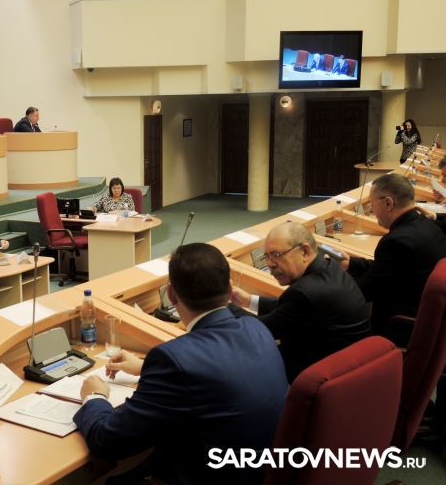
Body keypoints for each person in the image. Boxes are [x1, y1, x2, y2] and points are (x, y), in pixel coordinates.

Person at [73, 243, 289, 485]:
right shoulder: (257, 327)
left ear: (171, 294)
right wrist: (146, 368)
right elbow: (218, 371)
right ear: (230, 290)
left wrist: (94, 397)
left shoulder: (173, 360)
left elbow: (108, 442)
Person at [231, 222, 371, 383]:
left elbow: (261, 330)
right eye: (267, 257)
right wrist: (249, 300)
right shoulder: (329, 268)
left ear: (305, 251)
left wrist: (221, 305)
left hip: (321, 381)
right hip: (352, 372)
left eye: (277, 255)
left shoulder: (304, 292)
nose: (269, 264)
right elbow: (292, 310)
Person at [339, 173, 446, 335]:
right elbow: (390, 268)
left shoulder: (397, 241)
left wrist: (329, 277)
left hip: (399, 328)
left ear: (388, 203)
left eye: (372, 204)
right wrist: (351, 263)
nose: (372, 210)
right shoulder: (427, 224)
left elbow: (363, 291)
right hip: (426, 320)